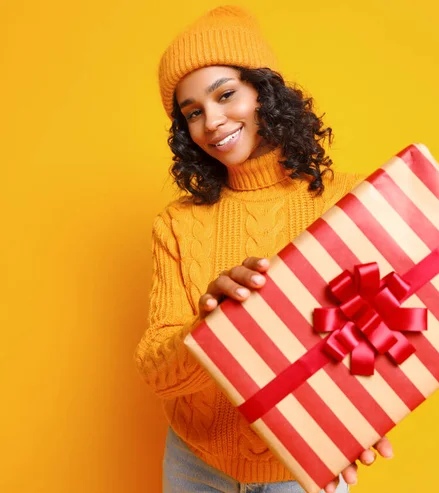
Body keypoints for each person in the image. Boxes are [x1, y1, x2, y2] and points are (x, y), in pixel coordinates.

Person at [134, 5, 394, 493]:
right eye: (192, 113)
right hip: (194, 463)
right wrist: (211, 326)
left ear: (264, 92)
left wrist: (366, 415)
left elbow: (387, 334)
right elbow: (156, 371)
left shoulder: (351, 203)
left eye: (226, 94)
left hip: (301, 466)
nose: (211, 121)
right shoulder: (177, 224)